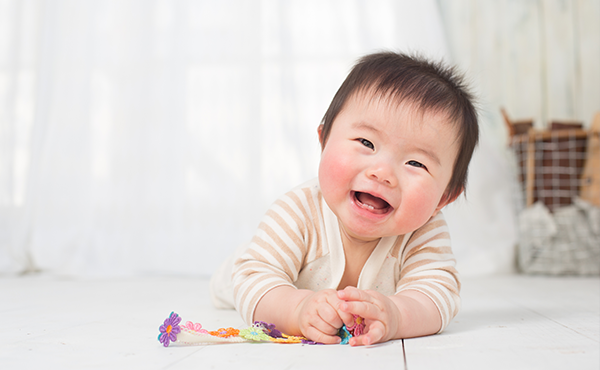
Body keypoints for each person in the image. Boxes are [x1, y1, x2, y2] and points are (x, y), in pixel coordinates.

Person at [210, 51, 479, 346]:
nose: (382, 172)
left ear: (445, 197)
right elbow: (255, 281)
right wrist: (298, 310)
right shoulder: (298, 211)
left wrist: (396, 315)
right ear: (324, 140)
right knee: (238, 277)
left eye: (416, 163)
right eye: (366, 142)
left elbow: (437, 295)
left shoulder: (425, 230)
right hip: (247, 269)